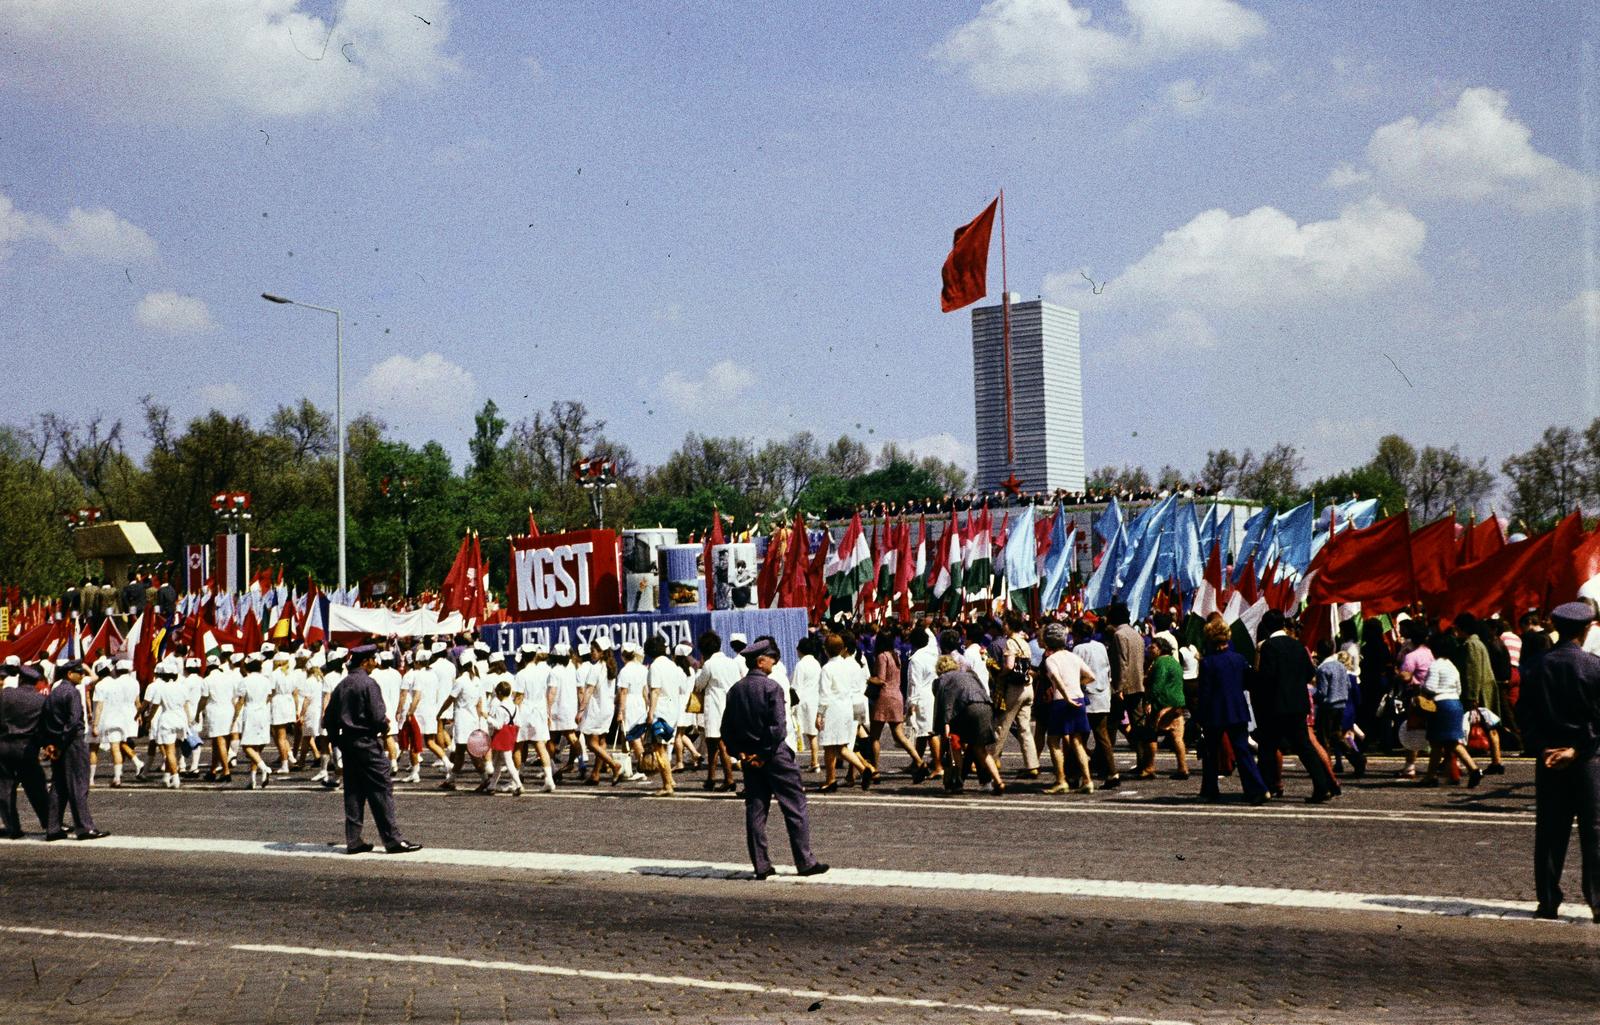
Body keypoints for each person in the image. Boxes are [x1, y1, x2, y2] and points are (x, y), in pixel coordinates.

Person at [1517, 601, 1600, 921]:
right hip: (1588, 759)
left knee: (1550, 832)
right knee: (1593, 833)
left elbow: (1525, 715)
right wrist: (1576, 751)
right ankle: (1597, 901)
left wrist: (1542, 749)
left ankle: (1548, 901)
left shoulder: (1536, 666)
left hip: (1549, 759)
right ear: (1586, 629)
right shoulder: (1594, 667)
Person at [720, 636, 829, 880]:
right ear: (761, 661)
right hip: (774, 756)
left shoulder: (735, 690)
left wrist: (743, 754)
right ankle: (805, 861)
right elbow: (778, 728)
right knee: (795, 806)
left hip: (749, 759)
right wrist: (763, 753)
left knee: (756, 810)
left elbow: (726, 729)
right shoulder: (772, 688)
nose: (774, 662)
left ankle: (761, 865)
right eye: (771, 658)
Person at [322, 645, 421, 855]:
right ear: (365, 661)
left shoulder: (342, 685)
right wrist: (383, 726)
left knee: (353, 793)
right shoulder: (369, 684)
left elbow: (328, 718)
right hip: (367, 743)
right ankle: (392, 840)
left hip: (348, 744)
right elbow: (377, 717)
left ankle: (354, 840)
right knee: (381, 790)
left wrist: (337, 741)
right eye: (373, 660)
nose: (375, 663)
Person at [1253, 612, 1338, 803]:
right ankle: (1322, 786)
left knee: (1267, 749)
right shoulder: (1298, 645)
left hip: (1275, 705)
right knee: (1305, 748)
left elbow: (1266, 677)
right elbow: (1310, 674)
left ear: (1266, 627)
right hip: (1298, 704)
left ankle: (1264, 788)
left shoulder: (1268, 646)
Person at [1195, 618, 1268, 804]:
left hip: (1215, 711)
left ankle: (1210, 789)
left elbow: (1204, 692)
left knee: (1211, 753)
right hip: (1237, 709)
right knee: (1243, 752)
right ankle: (1257, 788)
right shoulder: (1239, 659)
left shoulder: (1207, 663)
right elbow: (1248, 682)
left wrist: (1199, 716)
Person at [43, 661, 107, 841]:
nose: (82, 675)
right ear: (70, 674)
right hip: (72, 742)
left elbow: (46, 719)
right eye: (79, 672)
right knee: (78, 784)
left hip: (57, 742)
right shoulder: (72, 692)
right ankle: (84, 827)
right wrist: (62, 743)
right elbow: (73, 722)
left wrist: (52, 743)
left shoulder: (55, 692)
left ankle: (53, 827)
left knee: (59, 786)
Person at [1419, 630, 1484, 789]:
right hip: (1455, 703)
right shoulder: (1452, 666)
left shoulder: (1436, 665)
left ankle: (1433, 776)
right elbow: (1459, 689)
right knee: (1449, 741)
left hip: (1440, 705)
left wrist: (1420, 688)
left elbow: (1430, 687)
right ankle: (1471, 769)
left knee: (1439, 743)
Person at [815, 633, 876, 792]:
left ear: (826, 650)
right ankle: (864, 769)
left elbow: (824, 694)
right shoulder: (848, 665)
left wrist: (819, 714)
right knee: (841, 746)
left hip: (833, 709)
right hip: (847, 707)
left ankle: (831, 779)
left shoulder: (827, 668)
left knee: (829, 746)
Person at [1039, 623, 1095, 794]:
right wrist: (1076, 686)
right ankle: (1088, 780)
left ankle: (1061, 779)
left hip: (1061, 702)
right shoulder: (1073, 657)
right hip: (1079, 699)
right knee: (1077, 741)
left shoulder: (1050, 659)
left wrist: (1064, 694)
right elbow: (1091, 676)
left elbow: (1055, 677)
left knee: (1053, 741)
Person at [0, 665, 52, 838]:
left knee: (5, 789)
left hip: (4, 746)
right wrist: (47, 744)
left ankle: (12, 827)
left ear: (20, 679)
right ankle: (49, 822)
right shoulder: (41, 700)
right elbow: (44, 728)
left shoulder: (5, 695)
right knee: (37, 787)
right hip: (27, 748)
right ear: (37, 682)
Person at [991, 614, 1040, 779]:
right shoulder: (1025, 643)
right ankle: (1032, 765)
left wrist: (1000, 674)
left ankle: (990, 760)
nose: (1003, 626)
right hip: (1028, 687)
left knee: (1001, 725)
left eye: (1005, 624)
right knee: (1025, 728)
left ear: (1009, 626)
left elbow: (1010, 666)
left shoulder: (1011, 642)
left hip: (1015, 689)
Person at [1314, 639, 1366, 778]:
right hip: (1341, 705)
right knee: (1337, 736)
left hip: (1328, 706)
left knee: (1324, 738)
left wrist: (1312, 694)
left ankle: (1326, 768)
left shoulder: (1323, 668)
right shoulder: (1341, 666)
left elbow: (1322, 692)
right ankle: (1357, 759)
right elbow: (1348, 686)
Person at [1147, 636, 1190, 779]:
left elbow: (1157, 685)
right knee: (1178, 738)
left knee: (1151, 735)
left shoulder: (1160, 663)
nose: (1149, 649)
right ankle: (1183, 768)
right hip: (1177, 705)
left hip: (1163, 704)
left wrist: (1149, 701)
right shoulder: (1174, 662)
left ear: (1160, 649)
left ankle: (1149, 767)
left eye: (1152, 647)